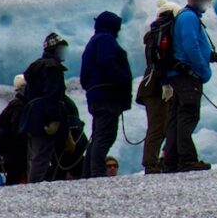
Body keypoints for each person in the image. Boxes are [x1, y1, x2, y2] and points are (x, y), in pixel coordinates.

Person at [165, 0, 217, 173]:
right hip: (187, 75)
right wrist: (202, 70)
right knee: (188, 115)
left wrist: (211, 56)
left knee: (177, 117)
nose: (206, 6)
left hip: (179, 75)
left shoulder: (184, 16)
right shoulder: (190, 18)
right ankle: (187, 159)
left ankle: (171, 161)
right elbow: (191, 46)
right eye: (206, 2)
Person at [79, 11, 132, 178]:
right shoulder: (106, 40)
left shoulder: (92, 43)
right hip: (107, 96)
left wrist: (93, 89)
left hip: (96, 96)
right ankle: (97, 174)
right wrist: (122, 79)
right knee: (105, 136)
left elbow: (84, 76)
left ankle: (88, 173)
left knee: (98, 136)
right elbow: (106, 62)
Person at [19, 33, 75, 183]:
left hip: (34, 115)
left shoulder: (36, 67)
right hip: (46, 116)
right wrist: (55, 119)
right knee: (42, 155)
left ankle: (35, 183)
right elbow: (53, 95)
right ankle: (36, 186)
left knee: (37, 154)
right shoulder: (52, 67)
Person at [136, 0, 178, 173]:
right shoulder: (164, 33)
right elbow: (161, 61)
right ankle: (151, 163)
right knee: (159, 125)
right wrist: (166, 83)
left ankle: (159, 160)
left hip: (151, 86)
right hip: (157, 86)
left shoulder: (155, 33)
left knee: (161, 124)